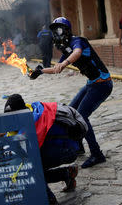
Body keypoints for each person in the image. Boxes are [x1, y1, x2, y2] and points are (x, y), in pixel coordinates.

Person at [29, 17, 112, 169]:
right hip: (92, 84)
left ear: (66, 30)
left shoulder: (77, 41)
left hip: (102, 84)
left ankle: (96, 153)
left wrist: (66, 62)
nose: (57, 33)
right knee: (71, 112)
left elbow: (78, 53)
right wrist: (39, 72)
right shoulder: (66, 48)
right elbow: (57, 68)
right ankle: (79, 145)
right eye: (54, 31)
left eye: (59, 29)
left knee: (82, 116)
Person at [0, 94, 81, 205]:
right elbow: (15, 136)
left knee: (29, 167)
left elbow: (21, 146)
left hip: (67, 149)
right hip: (57, 147)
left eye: (13, 117)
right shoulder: (28, 112)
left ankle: (49, 200)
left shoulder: (34, 121)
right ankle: (67, 173)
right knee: (27, 169)